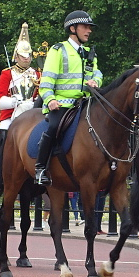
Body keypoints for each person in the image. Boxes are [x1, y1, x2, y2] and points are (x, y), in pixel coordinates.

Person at [34, 10, 103, 186]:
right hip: (62, 104)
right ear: (73, 28)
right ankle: (40, 168)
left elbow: (98, 73)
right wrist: (50, 100)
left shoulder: (89, 53)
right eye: (85, 27)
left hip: (85, 103)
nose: (89, 31)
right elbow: (47, 80)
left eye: (90, 27)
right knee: (54, 127)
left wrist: (95, 81)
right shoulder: (58, 50)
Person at [0, 23, 40, 140]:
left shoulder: (38, 74)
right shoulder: (7, 73)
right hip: (11, 114)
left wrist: (36, 102)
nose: (27, 58)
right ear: (17, 56)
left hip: (33, 112)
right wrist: (14, 102)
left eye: (29, 55)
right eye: (23, 56)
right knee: (2, 134)